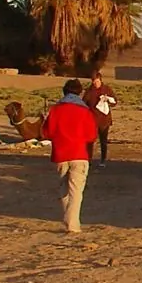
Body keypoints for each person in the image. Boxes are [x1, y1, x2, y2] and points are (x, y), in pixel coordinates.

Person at [43, 80, 98, 233]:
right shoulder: (85, 111)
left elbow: (46, 133)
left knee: (63, 189)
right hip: (79, 154)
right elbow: (91, 135)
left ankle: (69, 219)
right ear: (80, 92)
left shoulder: (55, 110)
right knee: (76, 190)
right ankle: (72, 223)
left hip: (60, 154)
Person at [83, 75, 117, 165]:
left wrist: (108, 100)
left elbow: (115, 101)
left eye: (97, 81)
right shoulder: (89, 91)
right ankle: (88, 159)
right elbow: (84, 103)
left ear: (100, 81)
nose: (95, 83)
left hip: (104, 119)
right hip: (92, 119)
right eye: (94, 82)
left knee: (103, 140)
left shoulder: (107, 89)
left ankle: (103, 159)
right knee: (90, 140)